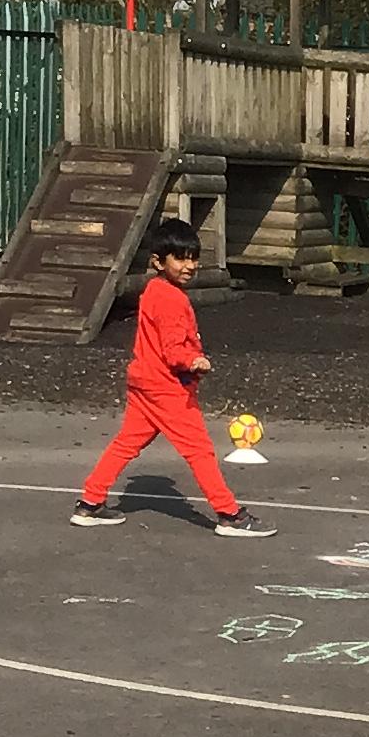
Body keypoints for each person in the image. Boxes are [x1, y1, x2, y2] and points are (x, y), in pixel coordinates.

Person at [69, 217, 273, 537]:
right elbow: (172, 348)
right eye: (180, 258)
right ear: (158, 261)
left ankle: (90, 502)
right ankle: (229, 514)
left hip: (144, 382)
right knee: (199, 451)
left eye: (193, 258)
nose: (189, 265)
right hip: (167, 387)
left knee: (126, 443)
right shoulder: (172, 298)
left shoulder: (153, 290)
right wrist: (194, 360)